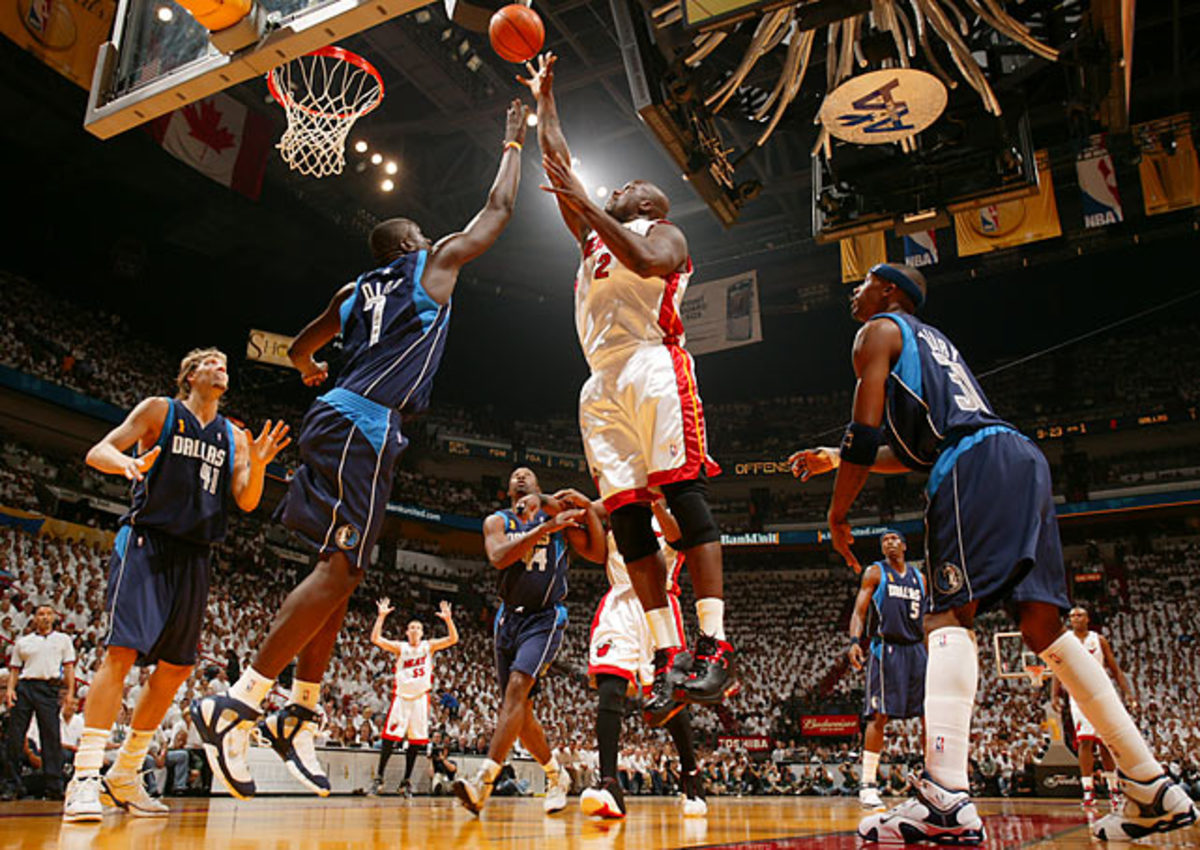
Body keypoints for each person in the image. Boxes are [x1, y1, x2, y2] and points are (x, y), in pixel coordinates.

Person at [192, 98, 530, 801]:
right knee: (343, 568)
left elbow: (300, 346)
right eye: (421, 232)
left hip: (329, 416)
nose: (430, 235)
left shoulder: (353, 292)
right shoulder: (431, 265)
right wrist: (512, 143)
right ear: (410, 242)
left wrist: (313, 369)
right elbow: (497, 212)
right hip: (366, 428)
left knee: (338, 573)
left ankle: (302, 713)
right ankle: (238, 702)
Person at [788, 262, 1196, 843]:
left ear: (890, 291)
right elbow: (913, 452)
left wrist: (837, 513)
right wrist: (836, 456)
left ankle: (945, 798)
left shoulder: (876, 331)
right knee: (1043, 628)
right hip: (1018, 456)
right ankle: (1150, 783)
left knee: (947, 616)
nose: (854, 292)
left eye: (864, 282)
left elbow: (865, 433)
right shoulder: (936, 344)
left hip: (972, 464)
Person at [520, 52, 736, 723]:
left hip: (653, 365)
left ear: (646, 202)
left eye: (631, 185)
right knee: (628, 520)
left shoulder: (664, 231)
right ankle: (668, 655)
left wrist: (588, 204)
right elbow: (559, 165)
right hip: (601, 382)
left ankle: (714, 645)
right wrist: (545, 100)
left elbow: (643, 260)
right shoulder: (591, 237)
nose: (619, 186)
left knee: (683, 495)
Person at [63, 348, 289, 822]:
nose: (221, 366)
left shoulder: (234, 435)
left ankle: (125, 773)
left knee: (176, 668)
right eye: (211, 361)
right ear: (190, 374)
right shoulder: (159, 411)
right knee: (121, 653)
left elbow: (247, 501)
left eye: (225, 363)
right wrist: (125, 465)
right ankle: (83, 776)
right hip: (147, 541)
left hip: (196, 553)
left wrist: (258, 463)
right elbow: (99, 451)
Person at [452, 468, 602, 816]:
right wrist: (543, 530)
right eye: (515, 475)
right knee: (520, 713)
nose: (520, 477)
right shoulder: (498, 521)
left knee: (517, 690)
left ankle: (483, 782)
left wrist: (571, 510)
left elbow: (598, 548)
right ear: (508, 491)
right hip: (508, 618)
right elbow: (498, 557)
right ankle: (557, 776)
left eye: (527, 475)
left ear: (538, 487)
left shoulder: (556, 515)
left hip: (544, 617)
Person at [579, 497, 705, 819]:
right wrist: (583, 501)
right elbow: (590, 509)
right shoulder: (618, 503)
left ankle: (690, 775)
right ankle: (609, 784)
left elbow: (678, 538)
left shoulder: (672, 508)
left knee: (669, 697)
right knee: (610, 687)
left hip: (659, 601)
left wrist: (656, 503)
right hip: (620, 601)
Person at [846, 530, 927, 812]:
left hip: (916, 649)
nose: (889, 543)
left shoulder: (920, 579)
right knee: (878, 715)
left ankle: (932, 780)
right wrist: (854, 641)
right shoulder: (875, 572)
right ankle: (868, 784)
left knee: (928, 715)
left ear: (904, 545)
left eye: (894, 539)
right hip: (887, 648)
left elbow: (927, 619)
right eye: (884, 540)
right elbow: (859, 612)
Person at [369, 598, 458, 796]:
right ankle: (379, 777)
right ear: (407, 632)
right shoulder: (401, 647)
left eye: (418, 627)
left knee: (416, 741)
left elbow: (453, 639)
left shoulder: (428, 646)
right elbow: (376, 639)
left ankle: (406, 781)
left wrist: (448, 620)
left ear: (422, 632)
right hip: (401, 697)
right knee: (389, 738)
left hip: (420, 698)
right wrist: (381, 617)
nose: (415, 630)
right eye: (411, 627)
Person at [1051, 606, 1136, 810]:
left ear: (1088, 619)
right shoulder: (1065, 642)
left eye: (1080, 615)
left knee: (1107, 742)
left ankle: (1113, 789)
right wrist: (1054, 695)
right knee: (1085, 741)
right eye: (1072, 616)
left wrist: (1128, 693)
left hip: (1101, 692)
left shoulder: (1099, 640)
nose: (1075, 618)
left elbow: (1115, 669)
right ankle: (1088, 791)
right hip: (1078, 694)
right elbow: (1056, 669)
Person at [4, 605, 75, 801]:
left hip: (48, 688)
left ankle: (54, 786)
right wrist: (10, 690)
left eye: (48, 614)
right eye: (41, 614)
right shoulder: (23, 642)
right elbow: (15, 670)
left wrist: (70, 692)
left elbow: (69, 668)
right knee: (15, 736)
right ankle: (11, 785)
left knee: (51, 737)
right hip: (25, 687)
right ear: (34, 618)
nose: (45, 617)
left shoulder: (63, 640)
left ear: (54, 618)